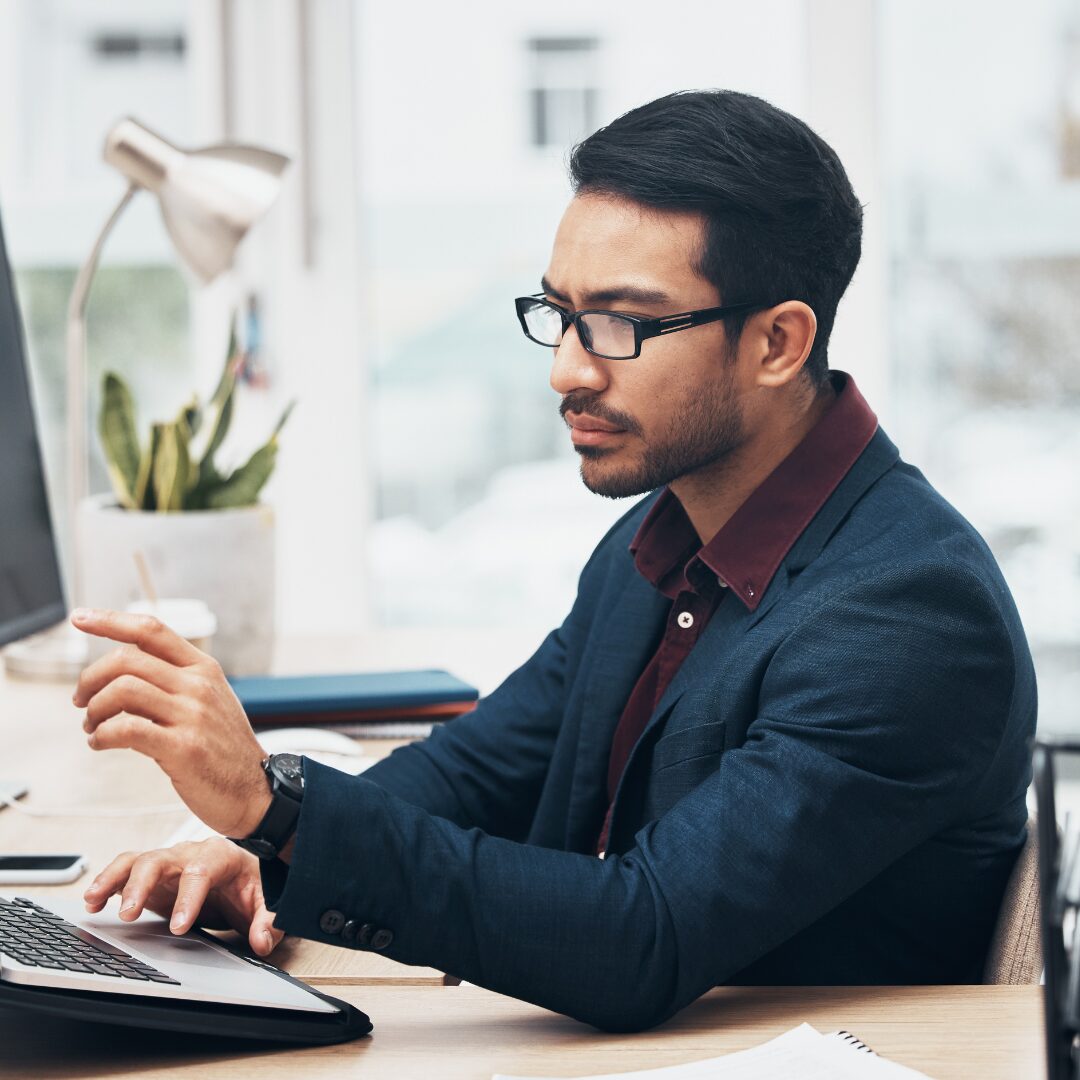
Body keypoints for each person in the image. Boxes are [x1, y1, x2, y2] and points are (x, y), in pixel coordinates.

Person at [70, 90, 1035, 1033]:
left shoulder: (909, 616)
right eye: (561, 313)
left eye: (623, 323)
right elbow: (481, 770)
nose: (568, 368)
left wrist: (281, 812)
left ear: (779, 342)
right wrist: (261, 843)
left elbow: (638, 936)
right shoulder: (661, 535)